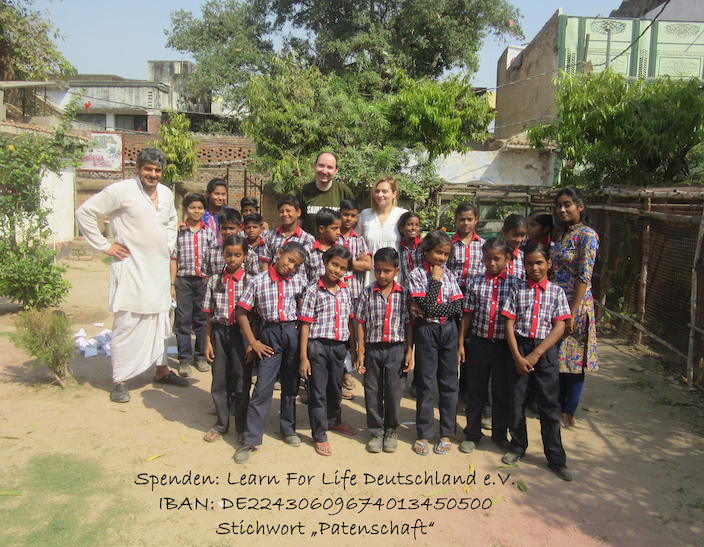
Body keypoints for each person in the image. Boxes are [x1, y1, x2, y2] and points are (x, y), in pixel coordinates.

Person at [75, 147, 188, 402]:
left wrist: (168, 245)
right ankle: (120, 380)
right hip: (131, 268)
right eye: (148, 169)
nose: (153, 174)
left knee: (160, 321)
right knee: (127, 323)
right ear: (138, 168)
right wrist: (104, 246)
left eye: (157, 170)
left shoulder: (166, 193)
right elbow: (84, 212)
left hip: (158, 270)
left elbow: (172, 220)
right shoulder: (121, 190)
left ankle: (161, 371)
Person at [501, 243, 573, 481]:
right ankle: (517, 445)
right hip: (519, 349)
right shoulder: (517, 290)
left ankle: (555, 457)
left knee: (549, 405)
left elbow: (560, 326)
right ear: (524, 265)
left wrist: (537, 353)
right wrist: (517, 356)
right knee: (516, 401)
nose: (534, 268)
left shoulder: (556, 292)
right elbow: (509, 324)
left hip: (545, 352)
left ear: (549, 264)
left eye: (539, 262)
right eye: (530, 263)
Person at [234, 242, 308, 463]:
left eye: (296, 265)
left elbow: (306, 302)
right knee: (263, 388)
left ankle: (288, 428)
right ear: (279, 253)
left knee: (290, 385)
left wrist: (301, 320)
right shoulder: (258, 281)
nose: (291, 267)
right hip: (270, 336)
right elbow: (241, 313)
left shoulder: (299, 280)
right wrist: (253, 342)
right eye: (290, 260)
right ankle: (250, 439)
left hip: (292, 334)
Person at [458, 238, 521, 455]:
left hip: (504, 346)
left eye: (497, 258)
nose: (492, 263)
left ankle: (499, 434)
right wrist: (461, 342)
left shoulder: (516, 284)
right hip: (479, 343)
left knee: (501, 392)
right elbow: (467, 315)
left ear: (508, 258)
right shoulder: (475, 283)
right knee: (476, 390)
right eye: (487, 259)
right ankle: (472, 433)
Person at [408, 230, 464, 455]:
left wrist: (430, 308)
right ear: (425, 250)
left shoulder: (450, 274)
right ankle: (423, 433)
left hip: (448, 330)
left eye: (446, 254)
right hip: (426, 331)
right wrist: (435, 279)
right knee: (425, 381)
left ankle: (446, 433)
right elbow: (427, 305)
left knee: (449, 383)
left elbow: (456, 307)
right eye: (438, 252)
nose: (442, 258)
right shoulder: (416, 275)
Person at [354, 248, 414, 454]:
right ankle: (376, 431)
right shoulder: (367, 292)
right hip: (372, 349)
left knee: (394, 391)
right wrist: (360, 351)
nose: (381, 275)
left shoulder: (404, 294)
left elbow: (409, 324)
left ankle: (391, 430)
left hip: (396, 349)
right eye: (378, 270)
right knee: (372, 391)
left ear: (396, 271)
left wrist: (409, 350)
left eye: (387, 271)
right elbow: (360, 323)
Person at [299, 245, 357, 456]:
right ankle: (320, 434)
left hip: (339, 346)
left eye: (342, 268)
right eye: (334, 264)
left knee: (334, 387)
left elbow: (349, 322)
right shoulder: (313, 290)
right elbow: (305, 324)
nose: (337, 270)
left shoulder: (345, 291)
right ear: (325, 262)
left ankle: (334, 420)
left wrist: (355, 349)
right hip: (317, 346)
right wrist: (303, 356)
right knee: (317, 390)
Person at [552, 187, 599, 428]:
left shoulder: (587, 236)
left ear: (580, 207)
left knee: (573, 360)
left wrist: (572, 311)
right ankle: (558, 407)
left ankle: (568, 412)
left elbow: (584, 276)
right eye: (559, 205)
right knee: (559, 359)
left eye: (567, 204)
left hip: (575, 306)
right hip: (556, 303)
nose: (562, 209)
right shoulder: (561, 235)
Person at [202, 235, 252, 443]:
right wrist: (207, 341)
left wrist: (252, 342)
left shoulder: (251, 281)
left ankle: (241, 426)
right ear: (222, 254)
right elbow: (209, 314)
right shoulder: (214, 280)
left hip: (241, 335)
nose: (232, 259)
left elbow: (255, 315)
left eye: (237, 255)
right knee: (219, 380)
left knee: (241, 381)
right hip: (219, 333)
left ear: (245, 256)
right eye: (228, 255)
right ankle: (221, 424)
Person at [170, 193, 216, 377]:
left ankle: (200, 356)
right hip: (183, 281)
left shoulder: (209, 233)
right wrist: (172, 284)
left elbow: (213, 259)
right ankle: (184, 359)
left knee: (202, 319)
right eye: (192, 208)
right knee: (182, 320)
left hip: (203, 282)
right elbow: (174, 259)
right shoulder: (179, 232)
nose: (196, 211)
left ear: (204, 210)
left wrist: (212, 282)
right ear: (185, 210)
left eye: (200, 208)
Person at [447, 202, 485, 406]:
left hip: (475, 299)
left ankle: (466, 386)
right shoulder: (449, 244)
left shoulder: (483, 245)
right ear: (456, 220)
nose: (465, 223)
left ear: (476, 220)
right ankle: (449, 385)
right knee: (451, 340)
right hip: (453, 298)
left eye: (469, 219)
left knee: (469, 342)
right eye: (462, 219)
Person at [338, 198, 372, 393]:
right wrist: (353, 263)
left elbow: (368, 265)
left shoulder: (359, 239)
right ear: (340, 214)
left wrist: (343, 263)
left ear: (357, 217)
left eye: (352, 216)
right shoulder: (334, 236)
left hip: (354, 293)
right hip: (335, 293)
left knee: (351, 332)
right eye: (345, 214)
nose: (348, 219)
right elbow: (329, 261)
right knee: (339, 331)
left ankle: (348, 370)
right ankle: (340, 371)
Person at [358, 177, 408, 287]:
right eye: (377, 191)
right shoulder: (365, 215)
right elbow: (356, 240)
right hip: (370, 275)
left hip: (394, 275)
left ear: (394, 193)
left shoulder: (402, 215)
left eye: (384, 191)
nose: (380, 195)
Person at [297, 152, 354, 235]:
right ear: (314, 166)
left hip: (338, 242)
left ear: (336, 170)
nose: (324, 171)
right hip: (309, 242)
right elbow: (298, 222)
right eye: (321, 166)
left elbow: (352, 221)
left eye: (329, 167)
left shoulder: (344, 192)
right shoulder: (304, 191)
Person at [266, 195, 315, 261]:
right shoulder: (272, 236)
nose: (284, 214)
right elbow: (266, 262)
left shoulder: (307, 239)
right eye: (281, 212)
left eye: (288, 211)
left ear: (298, 212)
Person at [304, 208, 342, 284]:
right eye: (334, 228)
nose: (338, 232)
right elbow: (303, 278)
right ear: (321, 229)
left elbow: (345, 278)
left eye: (339, 228)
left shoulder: (340, 250)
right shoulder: (309, 251)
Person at [203, 207, 241, 281]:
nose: (228, 232)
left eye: (231, 228)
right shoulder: (211, 253)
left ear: (240, 228)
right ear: (219, 228)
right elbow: (206, 276)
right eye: (224, 228)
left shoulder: (248, 252)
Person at [397, 211, 423, 287]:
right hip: (409, 290)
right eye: (410, 224)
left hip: (424, 289)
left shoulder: (423, 246)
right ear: (401, 228)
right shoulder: (401, 249)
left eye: (417, 225)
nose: (414, 228)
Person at [502, 214, 528, 280]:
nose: (519, 240)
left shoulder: (524, 258)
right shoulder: (496, 255)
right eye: (515, 235)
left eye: (522, 235)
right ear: (504, 231)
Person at [202, 178, 228, 244]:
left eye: (223, 194)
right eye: (217, 194)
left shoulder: (229, 212)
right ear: (208, 194)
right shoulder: (202, 213)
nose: (220, 198)